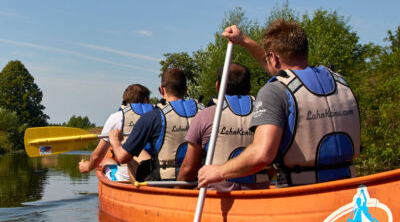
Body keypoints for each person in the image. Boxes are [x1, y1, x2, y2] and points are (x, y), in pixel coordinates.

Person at [198, 19, 360, 188]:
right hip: (348, 192)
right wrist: (244, 40)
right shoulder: (339, 82)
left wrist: (219, 171)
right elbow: (279, 67)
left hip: (301, 195)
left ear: (273, 57)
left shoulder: (275, 91)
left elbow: (262, 155)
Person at [177, 62, 272, 191]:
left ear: (218, 86)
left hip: (216, 196)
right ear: (249, 88)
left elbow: (188, 169)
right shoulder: (267, 115)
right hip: (258, 195)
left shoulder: (205, 116)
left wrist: (176, 190)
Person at [109, 68, 204, 181]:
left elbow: (122, 158)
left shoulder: (151, 117)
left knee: (130, 152)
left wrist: (115, 140)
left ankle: (138, 195)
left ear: (162, 90)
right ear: (186, 90)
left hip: (164, 183)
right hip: (198, 180)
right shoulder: (205, 113)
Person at [79, 84, 153, 181]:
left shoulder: (116, 117)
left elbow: (98, 156)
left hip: (130, 175)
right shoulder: (157, 115)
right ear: (145, 100)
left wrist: (88, 166)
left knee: (107, 161)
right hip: (158, 170)